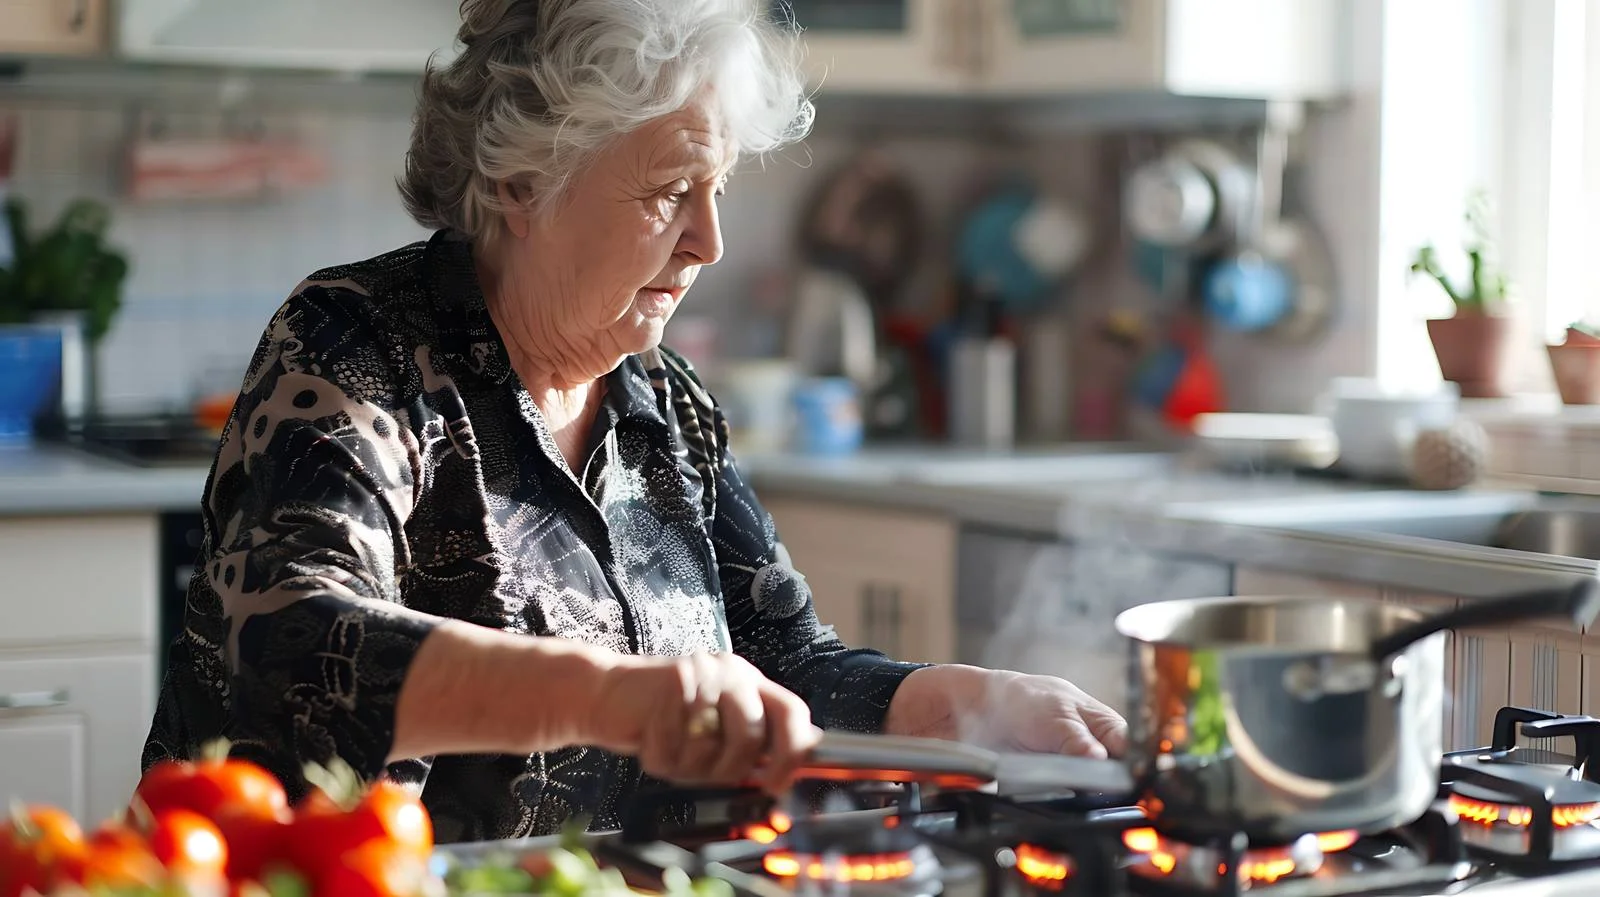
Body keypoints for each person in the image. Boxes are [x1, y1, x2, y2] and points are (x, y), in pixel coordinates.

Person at [141, 0, 1127, 844]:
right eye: (668, 193)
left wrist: (940, 700)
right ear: (523, 182)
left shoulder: (663, 404)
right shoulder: (355, 345)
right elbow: (302, 651)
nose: (709, 241)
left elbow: (779, 660)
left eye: (718, 188)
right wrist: (610, 694)